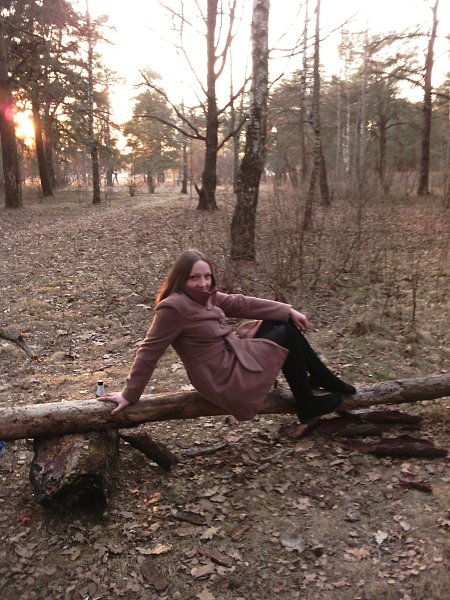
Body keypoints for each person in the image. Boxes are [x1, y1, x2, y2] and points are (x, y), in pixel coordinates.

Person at [98, 249, 356, 422]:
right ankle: (308, 398)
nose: (203, 283)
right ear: (181, 279)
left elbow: (241, 303)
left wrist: (287, 310)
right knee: (287, 333)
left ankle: (317, 382)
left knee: (281, 322)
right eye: (194, 278)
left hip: (231, 358)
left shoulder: (204, 296)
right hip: (220, 376)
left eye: (207, 277)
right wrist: (130, 394)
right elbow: (149, 352)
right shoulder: (173, 307)